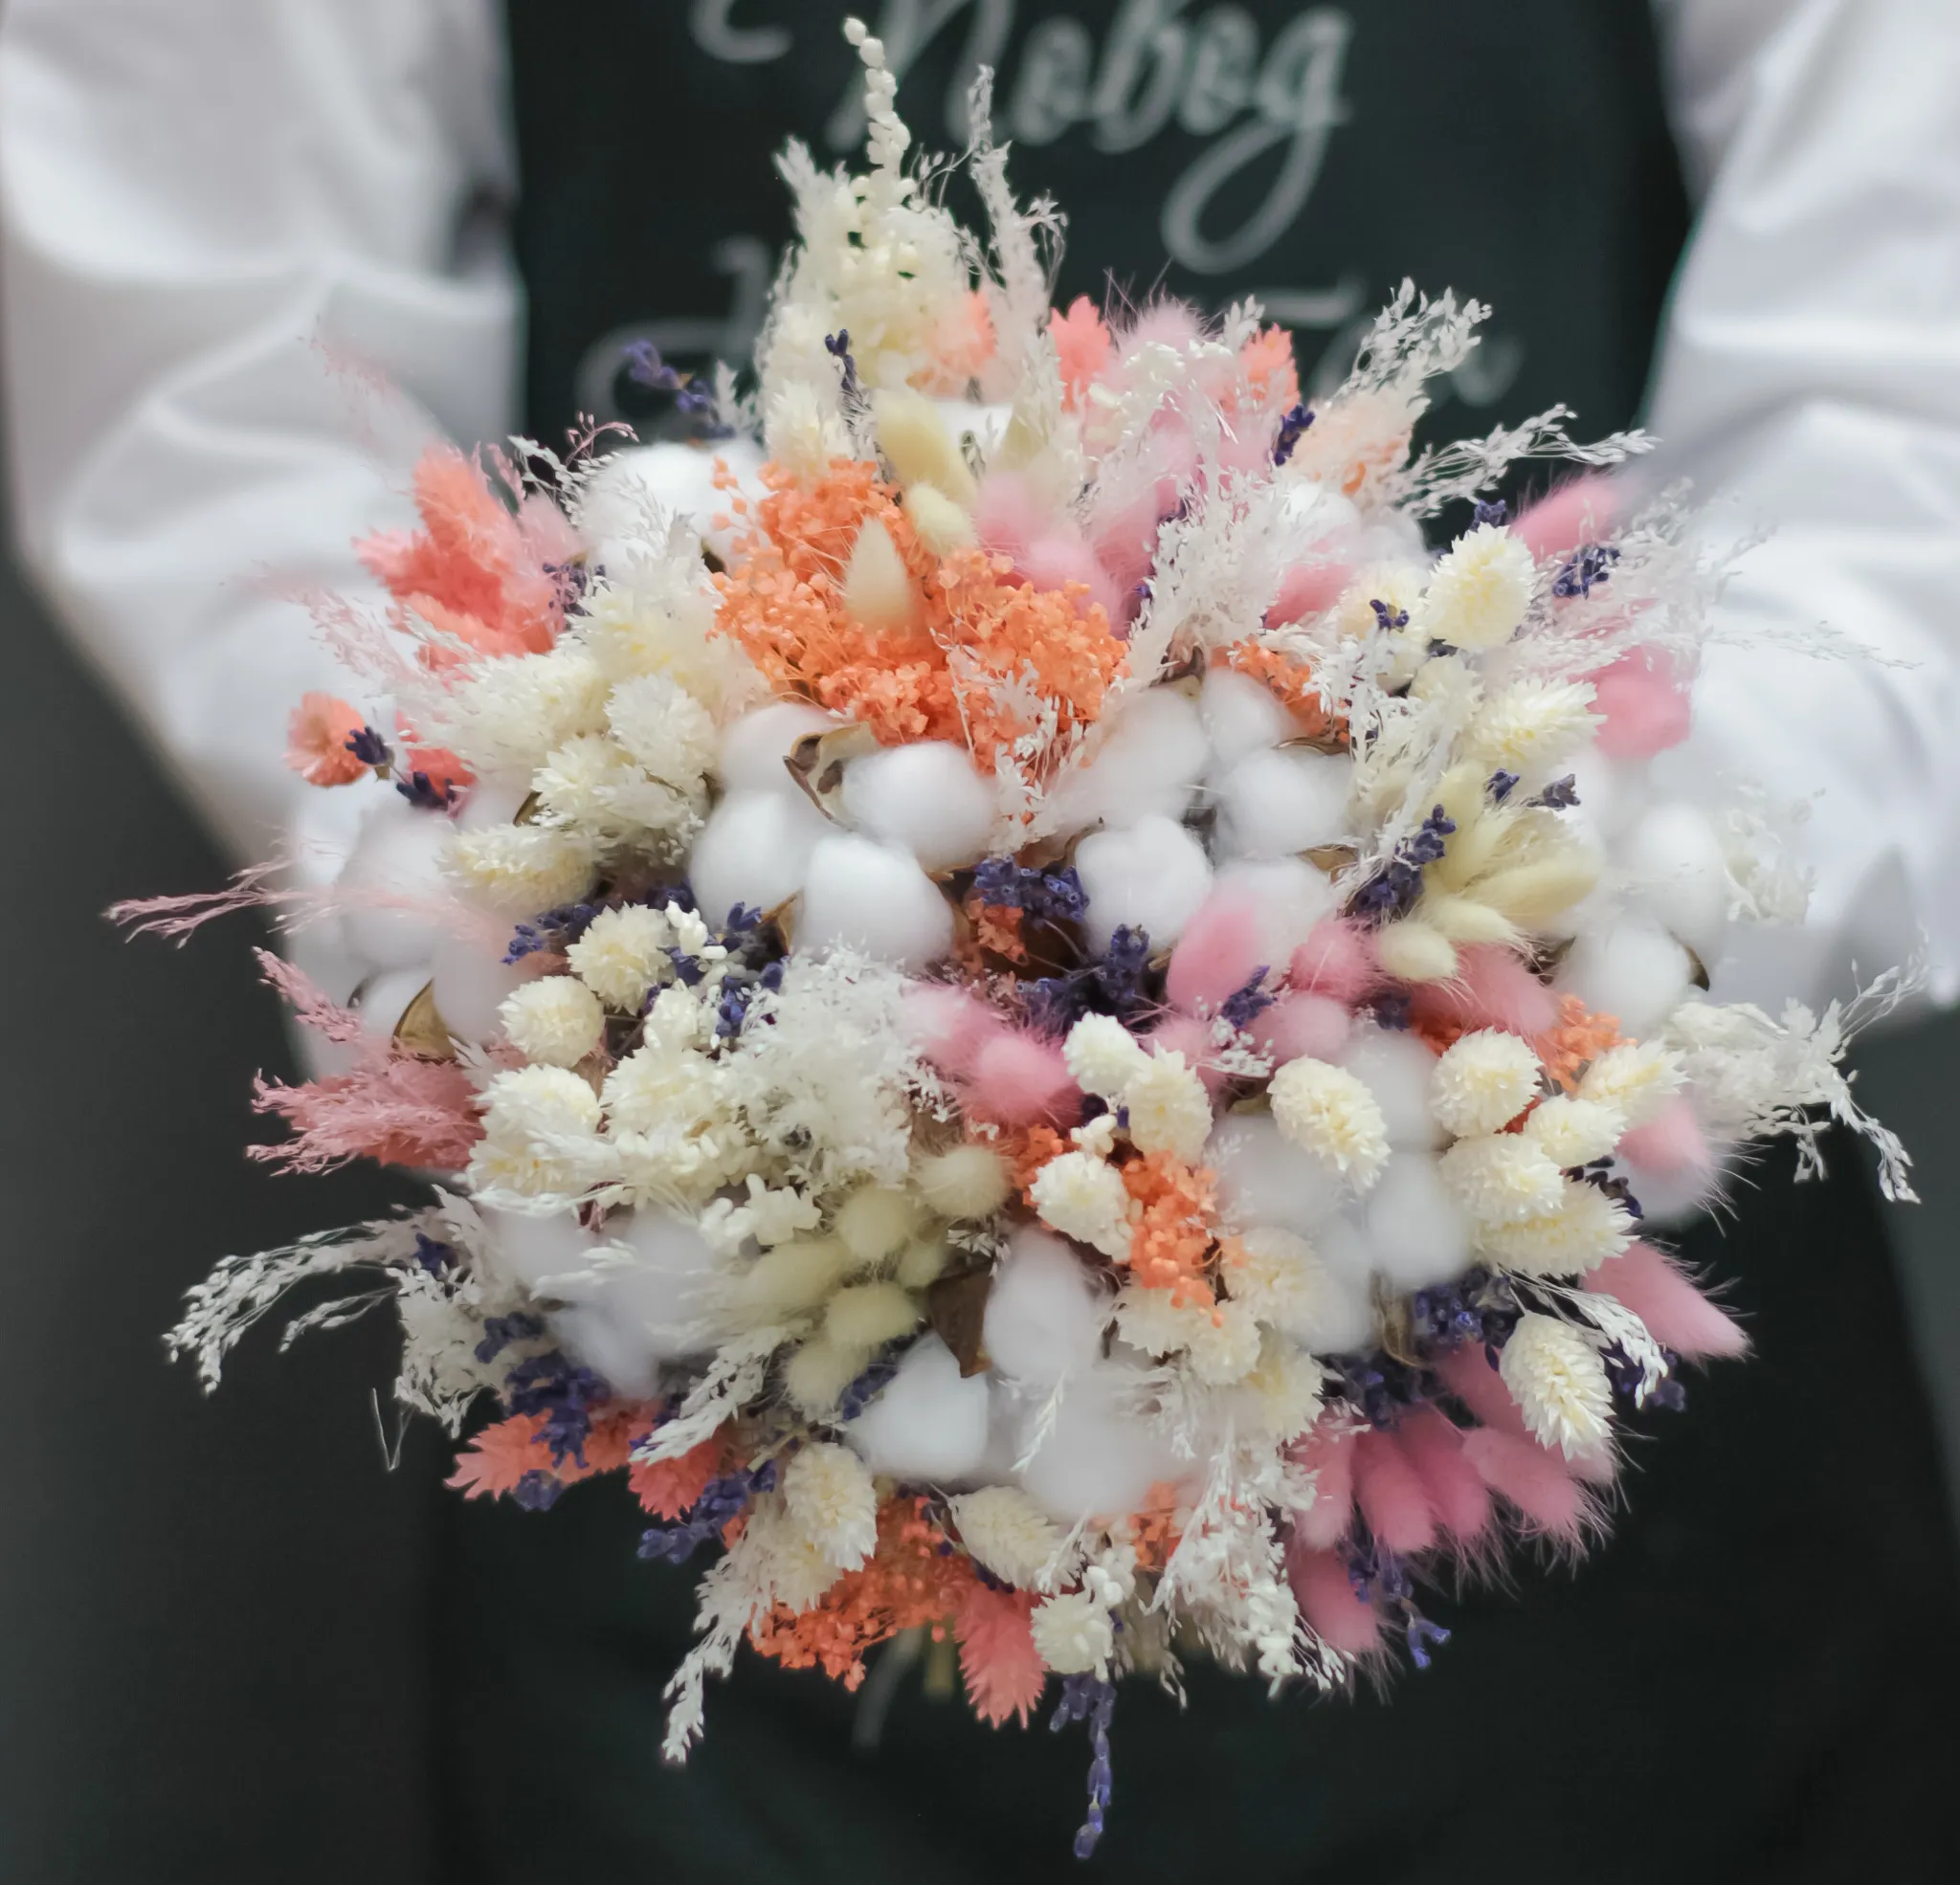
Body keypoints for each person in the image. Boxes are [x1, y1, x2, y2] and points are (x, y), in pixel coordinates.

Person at [4, 3, 1958, 1878]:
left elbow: (1908, 356)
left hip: (1575, 1416)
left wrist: (1525, 936)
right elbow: (214, 334)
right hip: (701, 1327)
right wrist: (545, 892)